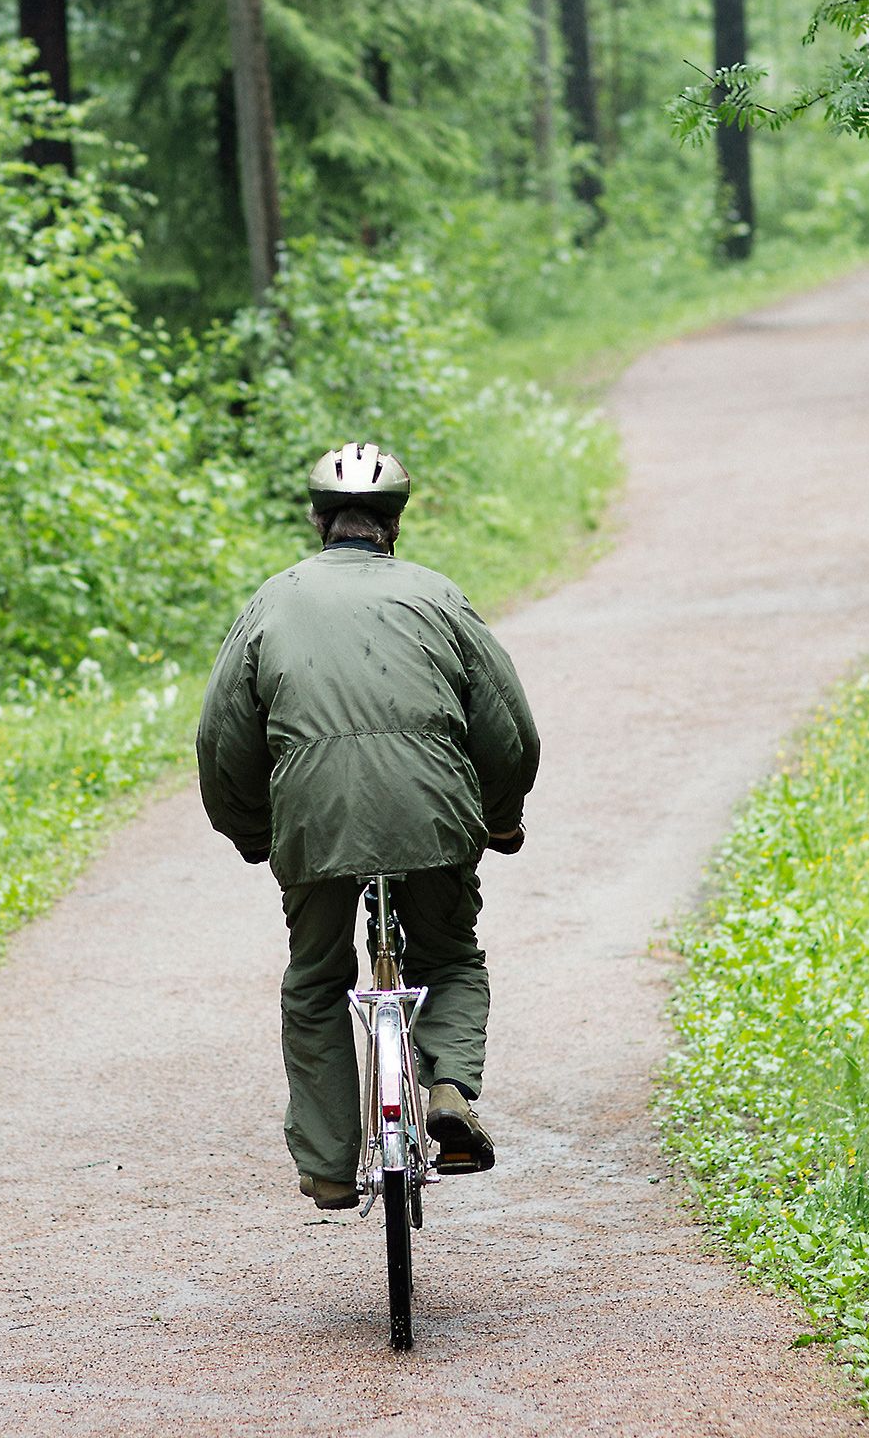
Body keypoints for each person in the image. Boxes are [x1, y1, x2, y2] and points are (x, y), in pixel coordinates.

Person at [196, 442, 540, 1210]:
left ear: (316, 520)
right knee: (448, 957)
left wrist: (250, 832)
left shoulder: (270, 603)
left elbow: (222, 741)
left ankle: (327, 1164)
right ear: (396, 524)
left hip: (314, 823)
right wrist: (500, 818)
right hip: (432, 814)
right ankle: (448, 1092)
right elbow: (506, 727)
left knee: (315, 981)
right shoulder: (438, 597)